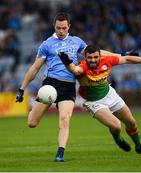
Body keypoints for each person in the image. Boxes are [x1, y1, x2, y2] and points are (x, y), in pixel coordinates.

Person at [59, 45, 141, 157]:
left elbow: (127, 59)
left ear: (100, 56)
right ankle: (118, 138)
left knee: (131, 122)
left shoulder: (107, 60)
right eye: (89, 57)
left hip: (110, 95)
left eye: (95, 57)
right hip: (94, 102)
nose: (93, 60)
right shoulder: (83, 67)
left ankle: (140, 147)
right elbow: (75, 70)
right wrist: (68, 64)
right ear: (85, 57)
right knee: (116, 126)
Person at [15, 12, 88, 162]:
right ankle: (37, 112)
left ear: (69, 26)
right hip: (50, 85)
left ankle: (60, 154)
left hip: (68, 87)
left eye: (64, 28)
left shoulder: (76, 42)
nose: (61, 31)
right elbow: (34, 68)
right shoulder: (47, 44)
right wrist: (22, 89)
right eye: (58, 28)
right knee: (32, 123)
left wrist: (118, 55)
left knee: (64, 119)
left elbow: (95, 53)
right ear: (54, 26)